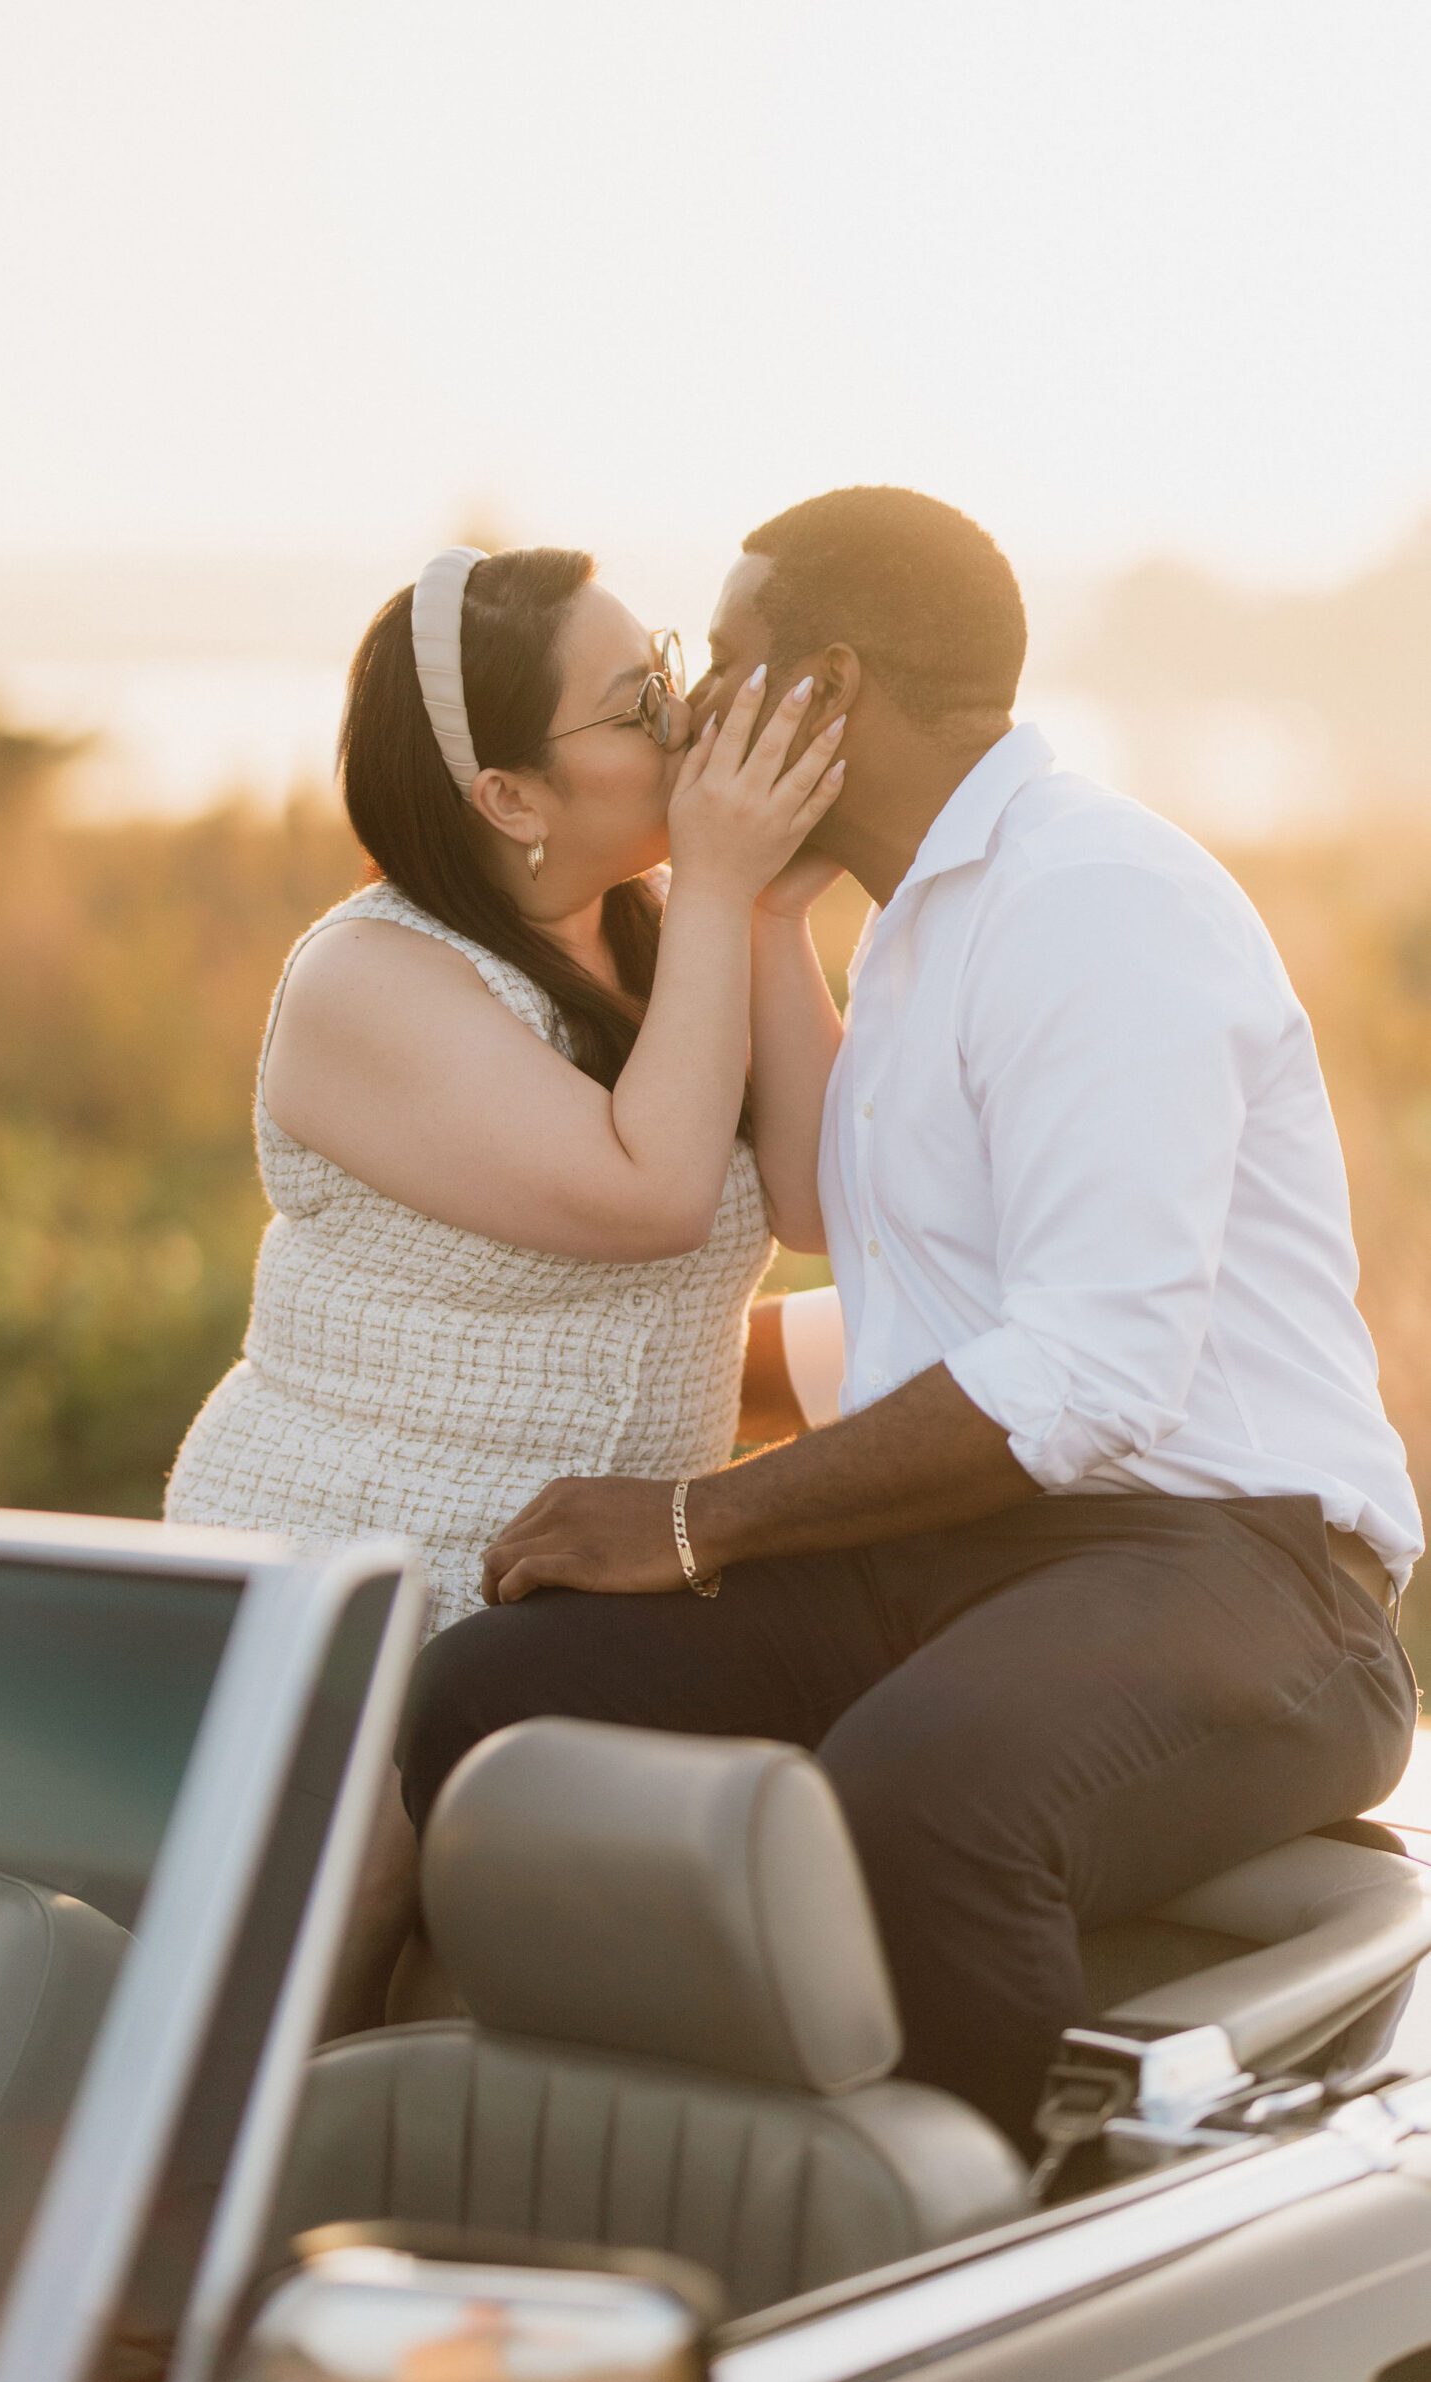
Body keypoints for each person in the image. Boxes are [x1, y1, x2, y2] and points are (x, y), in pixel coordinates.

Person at [397, 486, 1424, 2155]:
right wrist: (602, 1392)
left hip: (1245, 1566)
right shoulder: (914, 921)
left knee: (920, 1810)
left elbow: (1085, 1375)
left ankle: (1006, 2289)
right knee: (491, 1691)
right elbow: (931, 1320)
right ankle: (693, 2166)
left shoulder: (1094, 903)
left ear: (829, 687)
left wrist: (691, 1519)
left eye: (720, 667)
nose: (691, 714)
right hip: (981, 1536)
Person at [165, 541, 844, 2015]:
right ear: (509, 798)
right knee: (279, 2020)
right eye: (634, 705)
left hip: (569, 1590)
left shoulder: (669, 937)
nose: (686, 718)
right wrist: (723, 889)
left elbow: (813, 1198)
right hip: (358, 1581)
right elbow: (651, 1194)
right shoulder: (370, 981)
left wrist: (773, 916)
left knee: (460, 2038)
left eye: (664, 669)